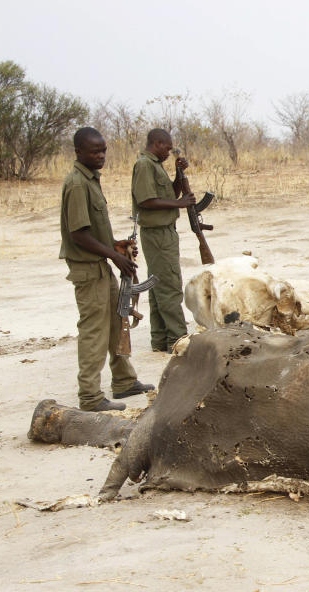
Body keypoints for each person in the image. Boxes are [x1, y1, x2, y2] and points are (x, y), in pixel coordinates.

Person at [59, 127, 154, 411]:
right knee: (94, 331)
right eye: (94, 151)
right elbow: (78, 235)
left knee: (117, 321)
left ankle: (124, 381)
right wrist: (114, 256)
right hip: (89, 270)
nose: (101, 156)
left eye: (103, 150)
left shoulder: (90, 180)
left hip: (99, 264)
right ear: (78, 152)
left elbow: (92, 230)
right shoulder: (78, 184)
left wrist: (115, 244)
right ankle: (89, 396)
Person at [131, 128, 196, 352]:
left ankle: (161, 339)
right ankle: (178, 340)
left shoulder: (155, 165)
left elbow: (170, 195)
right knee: (169, 285)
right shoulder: (145, 165)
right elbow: (146, 200)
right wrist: (180, 205)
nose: (169, 153)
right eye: (167, 148)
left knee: (158, 285)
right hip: (157, 233)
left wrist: (179, 175)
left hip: (164, 231)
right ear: (157, 144)